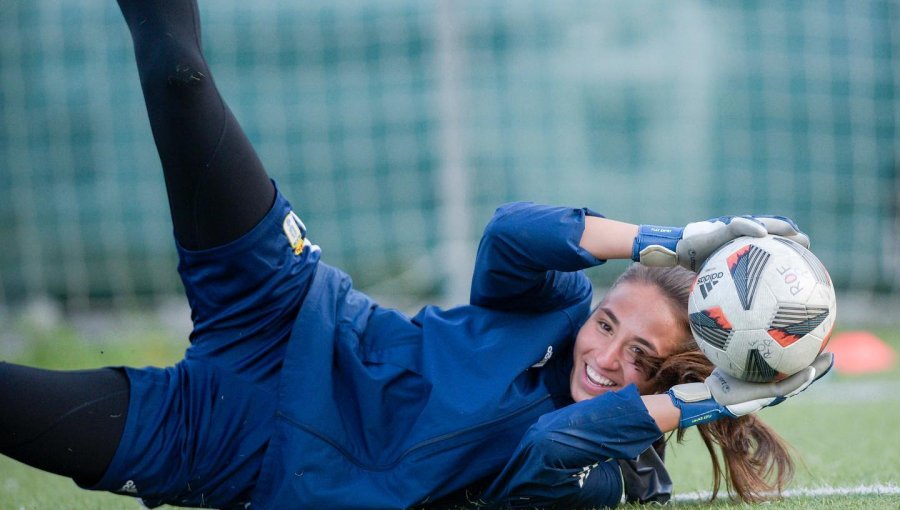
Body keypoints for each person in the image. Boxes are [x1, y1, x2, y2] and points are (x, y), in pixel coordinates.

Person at [0, 1, 833, 508]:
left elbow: (543, 452)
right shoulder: (550, 308)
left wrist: (721, 395)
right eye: (611, 323)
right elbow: (513, 229)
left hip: (237, 446)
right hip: (286, 307)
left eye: (643, 357)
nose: (607, 354)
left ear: (677, 380)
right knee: (180, 73)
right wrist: (672, 239)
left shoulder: (619, 468)